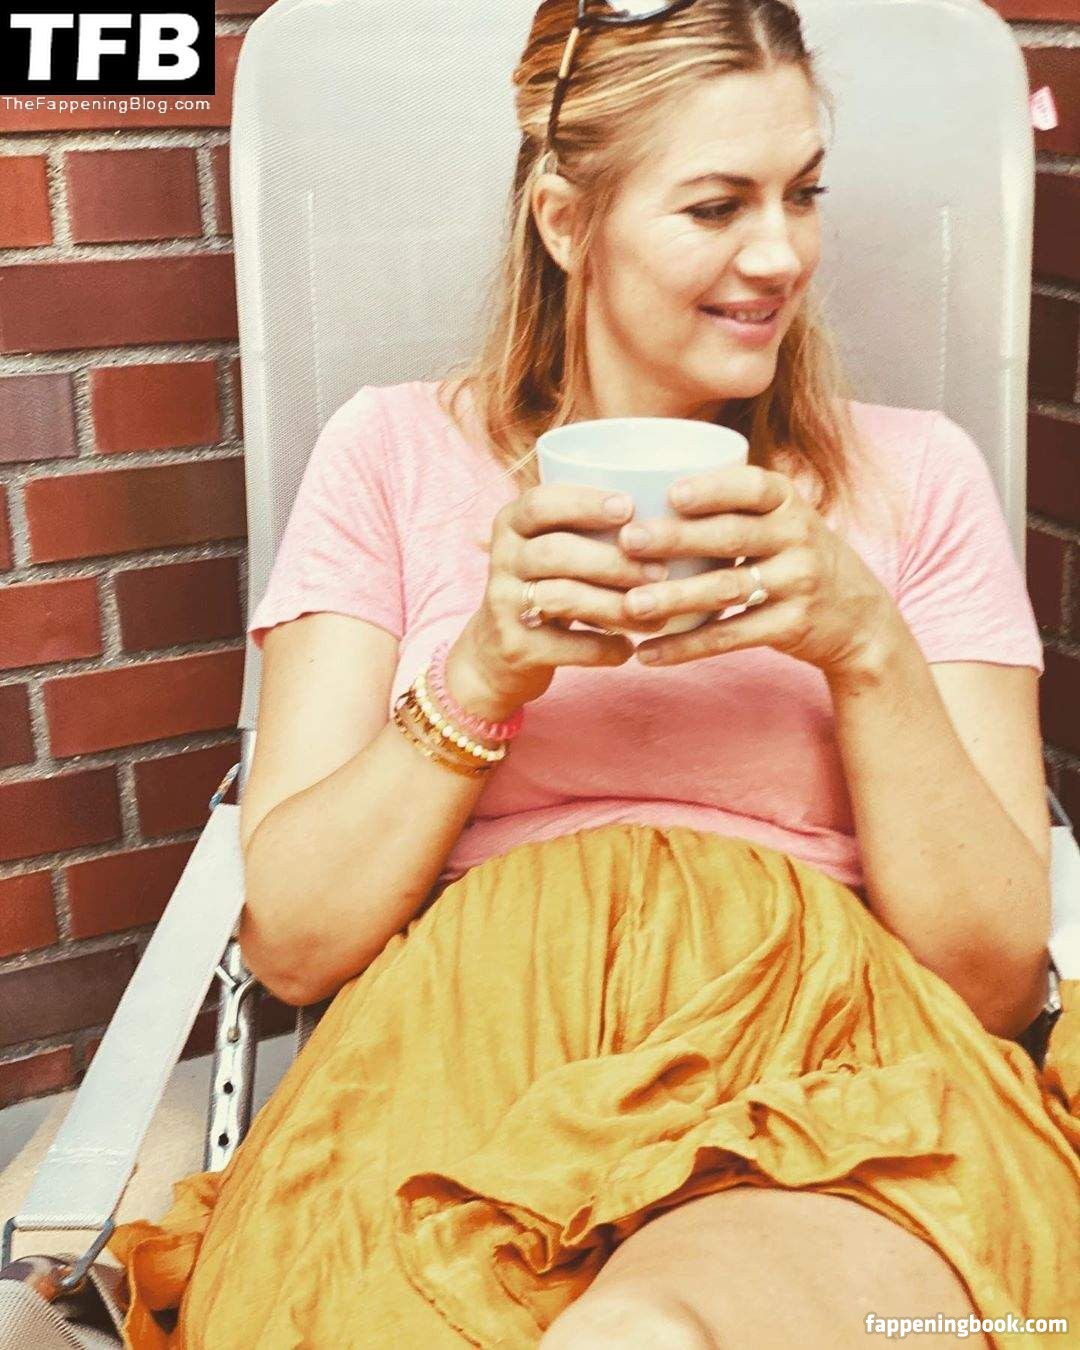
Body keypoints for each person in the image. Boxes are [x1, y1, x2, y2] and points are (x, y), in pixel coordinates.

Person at [109, 1, 1080, 1345]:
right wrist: (480, 675)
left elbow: (993, 979)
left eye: (803, 193)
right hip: (457, 1054)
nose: (780, 253)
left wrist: (865, 645)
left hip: (815, 1057)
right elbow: (294, 942)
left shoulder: (915, 478)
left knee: (660, 1330)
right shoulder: (388, 455)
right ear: (567, 221)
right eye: (717, 205)